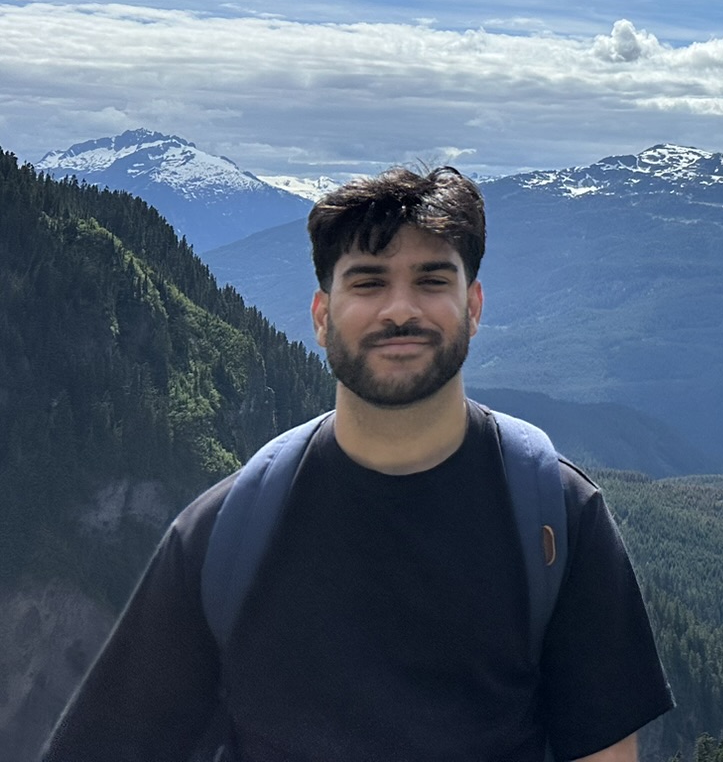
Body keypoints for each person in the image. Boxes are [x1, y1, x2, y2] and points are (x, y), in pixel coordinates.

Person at [42, 166, 674, 762]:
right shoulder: (225, 535)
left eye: (432, 281)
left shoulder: (557, 519)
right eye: (368, 282)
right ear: (322, 317)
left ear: (474, 307)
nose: (400, 309)